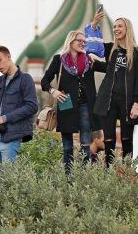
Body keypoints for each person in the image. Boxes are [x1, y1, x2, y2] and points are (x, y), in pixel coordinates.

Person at [41, 30, 106, 174]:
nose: (83, 43)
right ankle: (68, 177)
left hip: (85, 105)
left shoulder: (89, 60)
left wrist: (100, 52)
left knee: (85, 143)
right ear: (70, 42)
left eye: (84, 41)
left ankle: (83, 175)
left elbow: (109, 67)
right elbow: (44, 81)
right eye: (79, 41)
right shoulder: (59, 59)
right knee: (67, 145)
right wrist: (54, 91)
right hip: (66, 105)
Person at [91, 11, 138, 167]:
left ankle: (127, 174)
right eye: (114, 26)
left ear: (127, 28)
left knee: (127, 140)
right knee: (109, 141)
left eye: (119, 26)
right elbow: (92, 45)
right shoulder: (110, 49)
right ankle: (108, 176)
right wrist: (94, 24)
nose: (116, 29)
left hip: (127, 102)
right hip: (108, 101)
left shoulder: (137, 52)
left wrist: (136, 103)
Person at [0, 45, 38, 163]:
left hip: (11, 136)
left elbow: (32, 106)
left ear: (8, 57)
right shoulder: (0, 81)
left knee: (8, 178)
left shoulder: (25, 78)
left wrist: (4, 118)